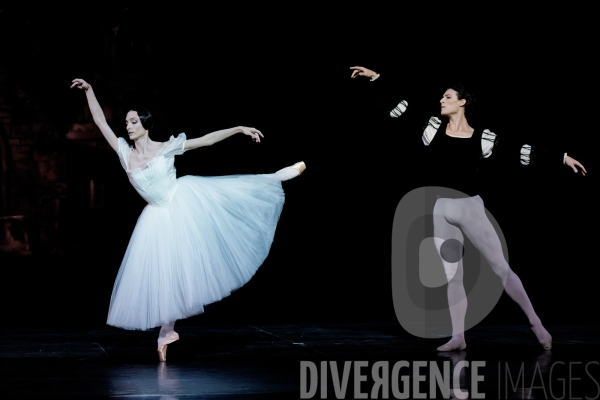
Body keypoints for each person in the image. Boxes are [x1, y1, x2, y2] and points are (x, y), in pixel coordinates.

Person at [349, 66, 587, 352]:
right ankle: (458, 336)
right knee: (453, 276)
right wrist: (377, 79)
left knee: (500, 268)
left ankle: (536, 323)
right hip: (441, 210)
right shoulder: (432, 129)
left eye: (448, 97)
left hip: (469, 207)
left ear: (462, 102)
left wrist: (560, 158)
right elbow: (400, 109)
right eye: (442, 97)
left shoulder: (482, 138)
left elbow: (519, 150)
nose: (442, 100)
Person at [70, 78, 306, 361]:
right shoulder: (124, 153)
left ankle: (275, 178)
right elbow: (99, 122)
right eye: (127, 122)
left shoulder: (165, 148)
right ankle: (166, 332)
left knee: (229, 197)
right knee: (165, 274)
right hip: (157, 216)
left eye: (133, 121)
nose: (128, 126)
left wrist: (238, 129)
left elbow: (205, 140)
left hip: (182, 202)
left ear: (145, 124)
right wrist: (90, 91)